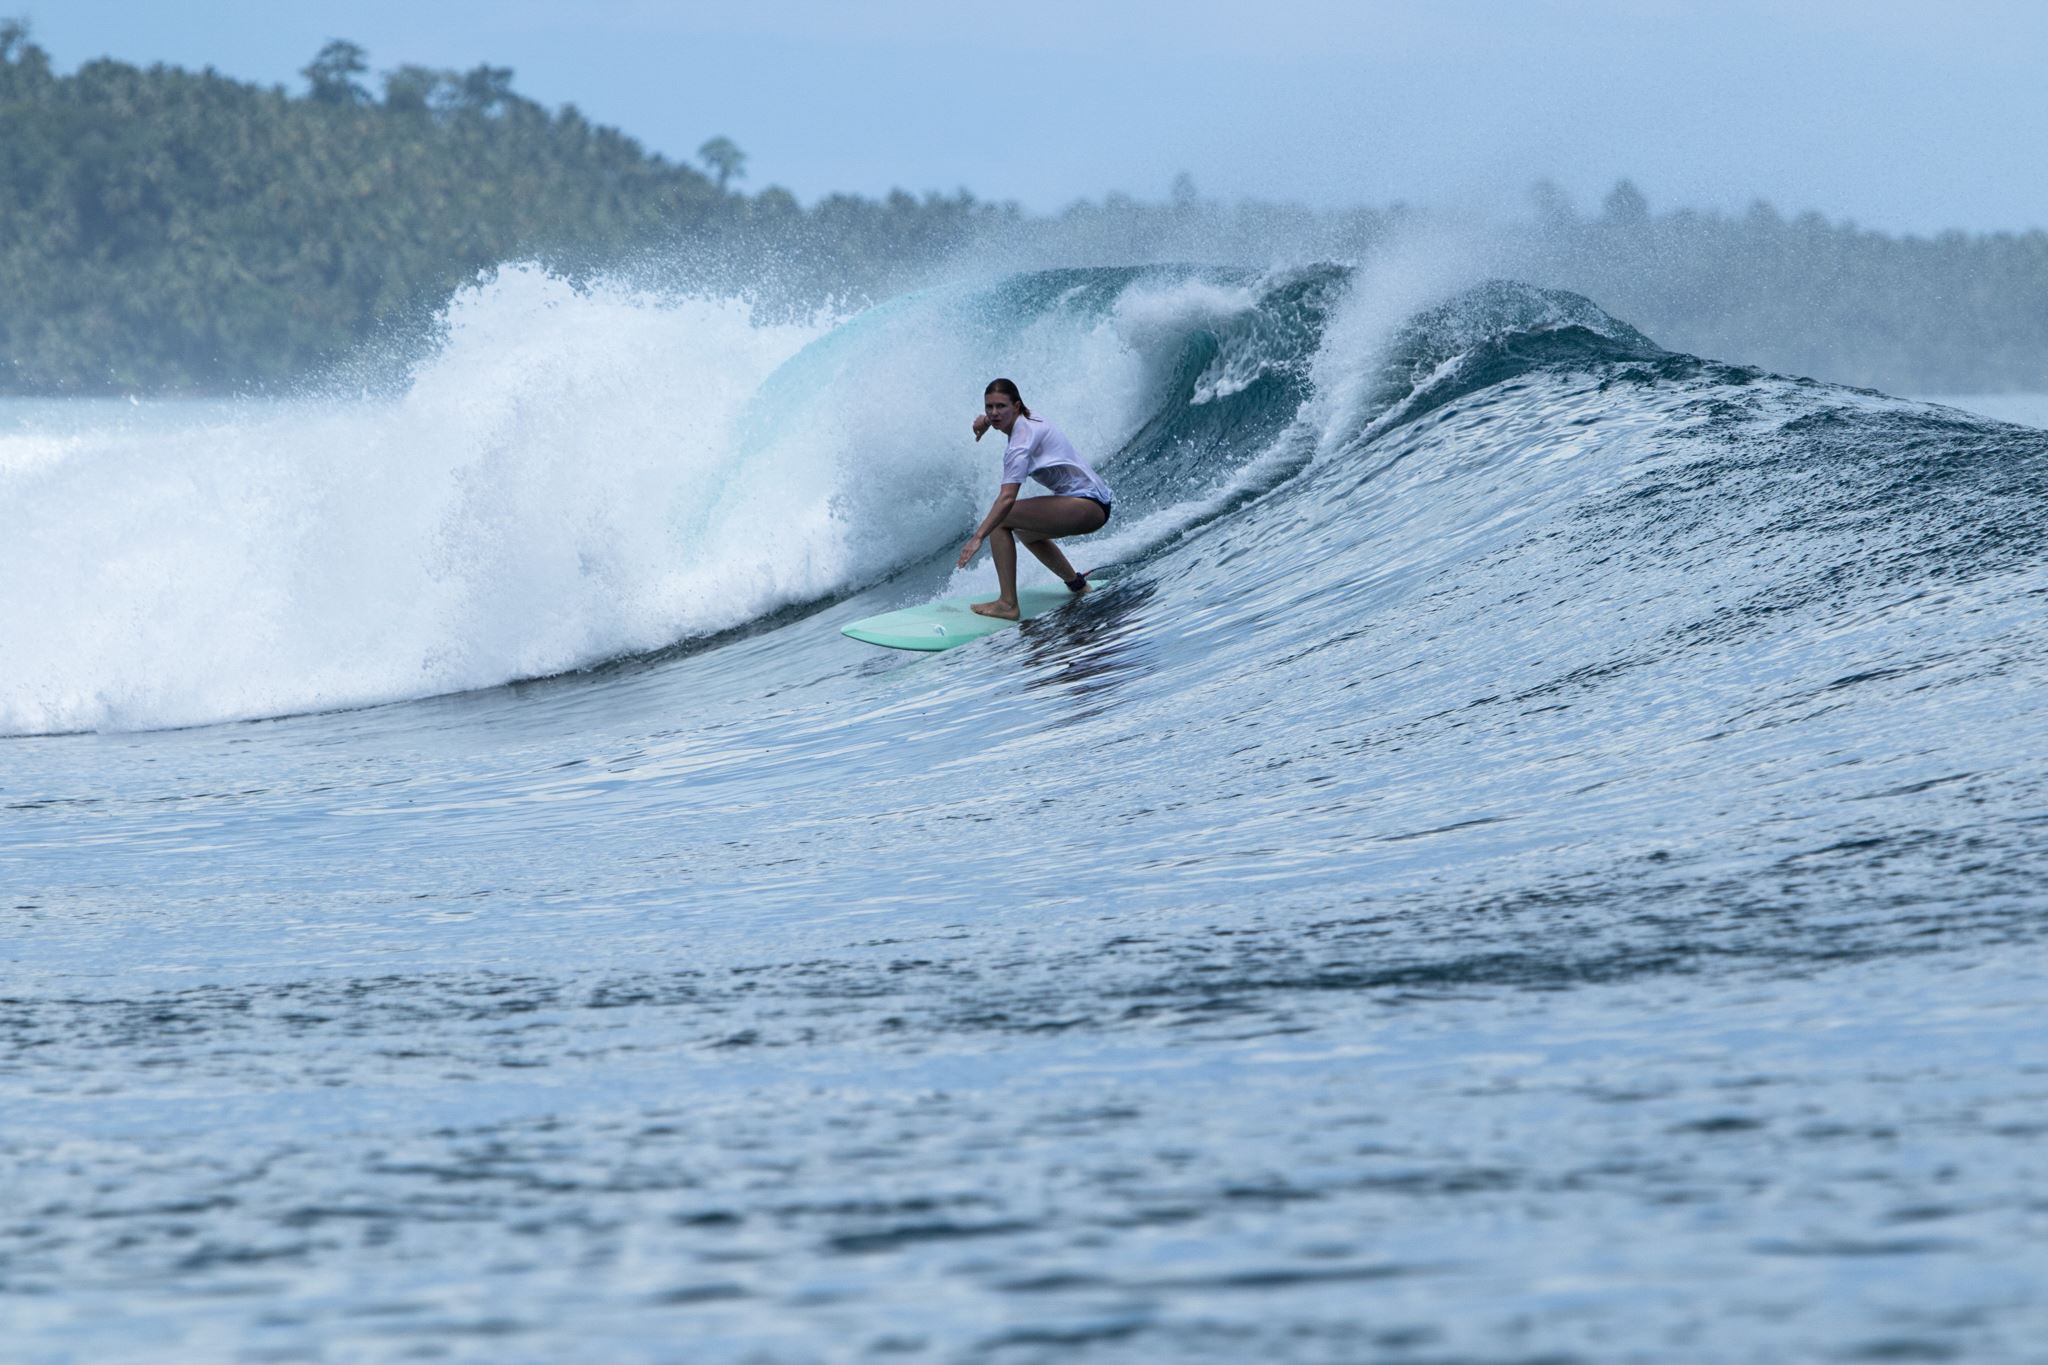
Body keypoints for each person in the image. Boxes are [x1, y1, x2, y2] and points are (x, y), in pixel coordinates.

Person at [956, 378, 1115, 619]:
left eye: (1000, 407)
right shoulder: (1027, 418)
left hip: (1087, 505)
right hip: (1093, 502)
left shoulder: (1020, 445)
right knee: (1025, 531)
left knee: (1001, 519)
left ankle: (1008, 604)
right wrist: (986, 421)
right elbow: (998, 414)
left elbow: (1007, 498)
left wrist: (978, 537)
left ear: (1017, 406)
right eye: (989, 407)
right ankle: (1077, 584)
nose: (994, 412)